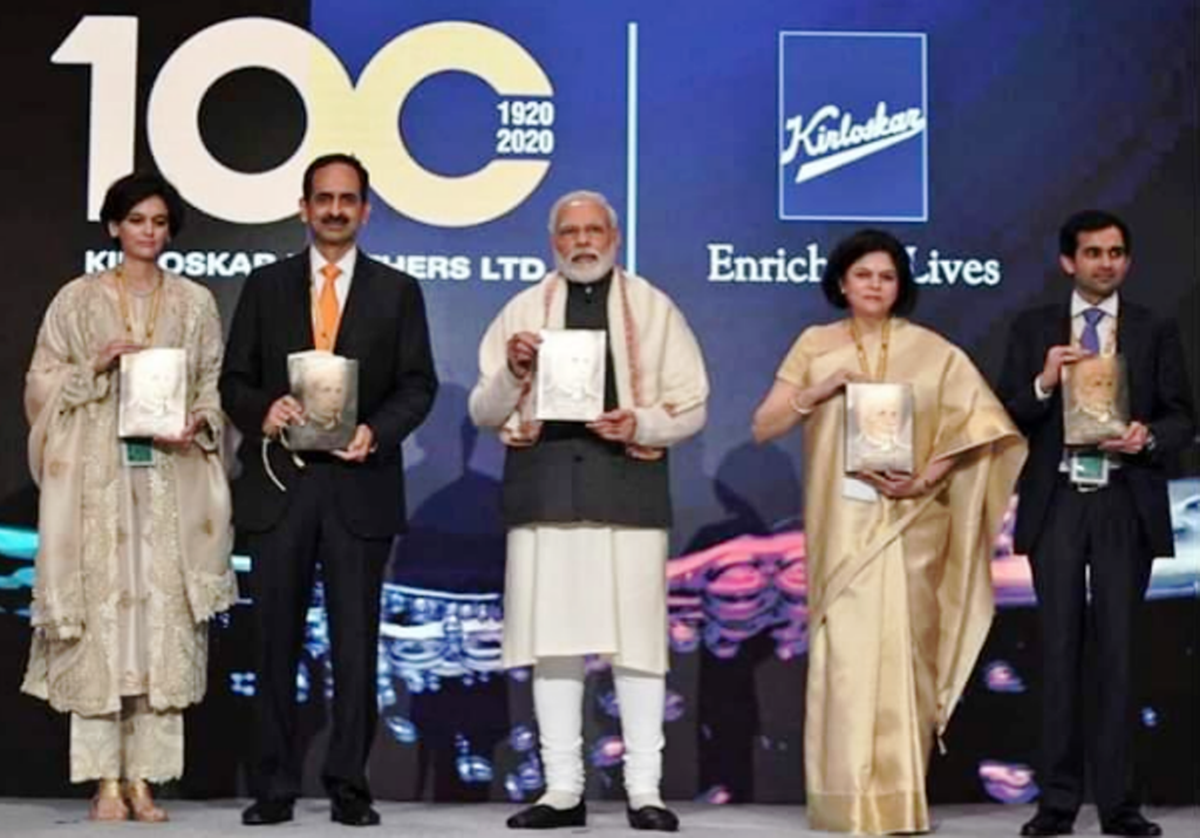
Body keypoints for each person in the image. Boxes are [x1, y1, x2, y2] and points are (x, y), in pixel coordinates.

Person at [751, 228, 1025, 834]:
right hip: (842, 531)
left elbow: (981, 424)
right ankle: (843, 802)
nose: (875, 286)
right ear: (841, 282)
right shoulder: (815, 345)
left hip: (911, 525)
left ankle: (901, 802)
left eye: (887, 276)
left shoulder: (933, 351)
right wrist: (821, 389)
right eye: (864, 275)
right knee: (848, 666)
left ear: (900, 286)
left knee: (906, 659)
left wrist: (927, 476)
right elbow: (764, 425)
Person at [469, 190, 709, 832]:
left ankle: (644, 791)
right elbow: (484, 411)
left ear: (615, 237)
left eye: (594, 230)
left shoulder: (653, 309)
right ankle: (561, 791)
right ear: (554, 242)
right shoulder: (523, 310)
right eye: (570, 232)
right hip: (546, 490)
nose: (583, 242)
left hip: (628, 487)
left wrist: (640, 422)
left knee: (638, 646)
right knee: (553, 645)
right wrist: (514, 371)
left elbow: (692, 406)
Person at [221, 153, 437, 827]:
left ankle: (349, 785)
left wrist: (376, 431)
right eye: (324, 198)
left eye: (347, 199)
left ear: (365, 211)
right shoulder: (265, 286)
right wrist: (264, 410)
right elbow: (233, 380)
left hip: (359, 487)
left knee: (354, 646)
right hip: (280, 488)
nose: (335, 209)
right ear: (303, 208)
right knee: (272, 644)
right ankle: (274, 786)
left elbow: (418, 385)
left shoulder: (397, 291)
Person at [22, 172, 236, 822]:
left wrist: (199, 422)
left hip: (169, 481)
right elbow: (41, 381)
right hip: (96, 483)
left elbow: (211, 386)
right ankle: (105, 780)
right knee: (103, 625)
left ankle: (146, 779)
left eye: (159, 222)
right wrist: (93, 368)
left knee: (158, 626)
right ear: (115, 226)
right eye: (137, 220)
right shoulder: (78, 300)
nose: (149, 232)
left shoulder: (194, 303)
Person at [997, 210, 1194, 838]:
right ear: (1068, 262)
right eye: (1092, 253)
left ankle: (1120, 805)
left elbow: (1182, 418)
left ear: (1127, 261)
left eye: (1115, 252)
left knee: (1119, 655)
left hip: (1122, 500)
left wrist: (1147, 437)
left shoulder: (1154, 328)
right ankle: (1056, 803)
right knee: (1057, 653)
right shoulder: (1033, 328)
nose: (1105, 263)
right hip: (1058, 501)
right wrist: (1044, 382)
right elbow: (1007, 415)